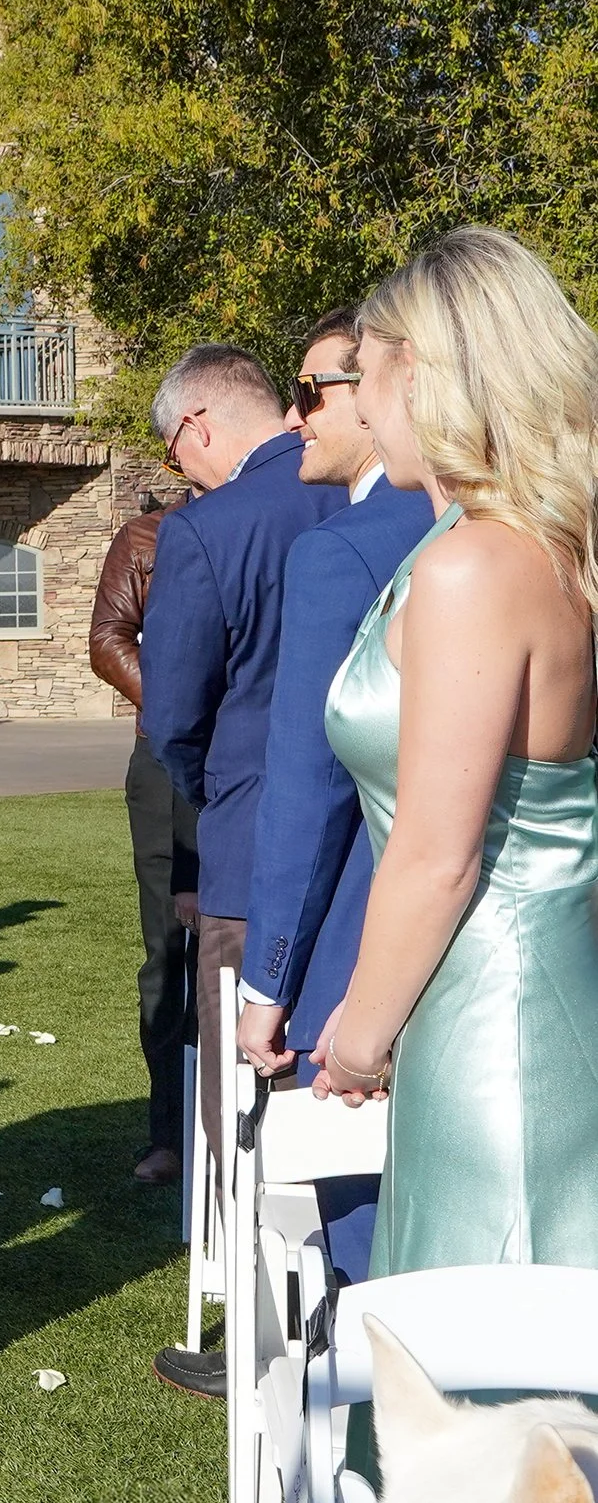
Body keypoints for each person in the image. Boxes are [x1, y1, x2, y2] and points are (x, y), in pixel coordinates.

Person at [313, 231, 598, 1283]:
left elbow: (438, 857)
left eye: (359, 373)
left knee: (504, 1391)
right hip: (477, 1003)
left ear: (419, 373)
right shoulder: (494, 544)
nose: (354, 403)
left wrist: (353, 1037)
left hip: (500, 1024)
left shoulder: (478, 563)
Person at [140, 343, 344, 1395]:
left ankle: (263, 1331)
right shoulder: (381, 493)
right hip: (370, 850)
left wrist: (217, 785)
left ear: (199, 426)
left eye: (176, 450)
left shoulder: (207, 528)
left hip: (250, 845)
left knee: (246, 1097)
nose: (180, 471)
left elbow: (169, 714)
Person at [232, 311, 434, 1287]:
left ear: (380, 389)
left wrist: (267, 982)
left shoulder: (341, 551)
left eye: (311, 391)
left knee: (371, 1274)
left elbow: (308, 790)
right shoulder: (533, 526)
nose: (292, 415)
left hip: (362, 970)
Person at [88, 494, 198, 1187]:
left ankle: (246, 1125)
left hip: (254, 756)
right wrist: (173, 706)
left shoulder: (282, 512)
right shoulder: (146, 536)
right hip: (164, 761)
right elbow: (108, 639)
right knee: (168, 952)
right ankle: (169, 1133)